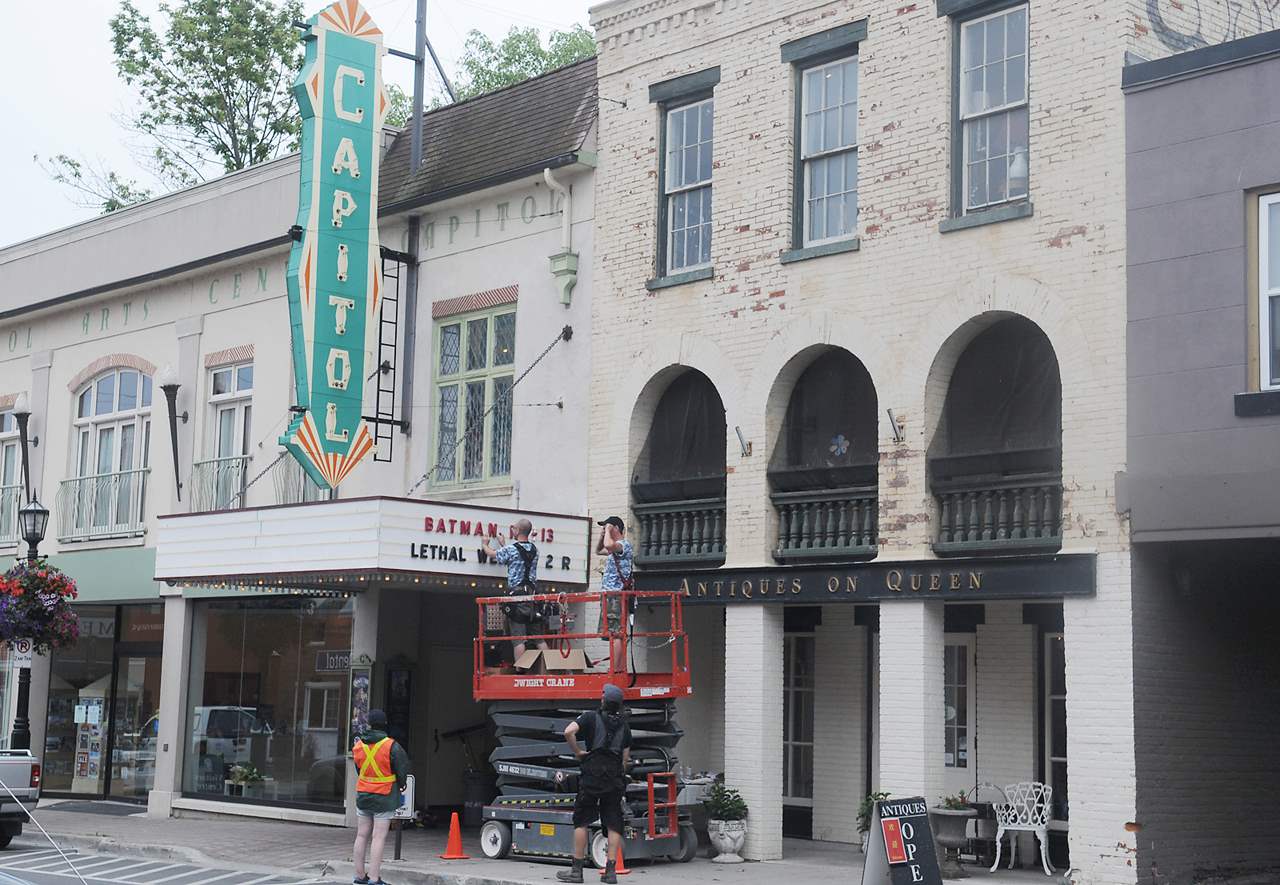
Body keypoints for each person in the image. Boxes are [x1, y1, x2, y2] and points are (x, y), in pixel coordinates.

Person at [558, 684, 632, 884]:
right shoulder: (625, 725)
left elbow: (568, 731)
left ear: (603, 700)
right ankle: (610, 871)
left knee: (581, 820)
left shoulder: (590, 717)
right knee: (614, 822)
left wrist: (578, 752)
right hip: (614, 777)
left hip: (592, 774)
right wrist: (619, 774)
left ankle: (577, 870)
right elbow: (625, 758)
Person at [351, 709, 410, 885]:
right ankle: (374, 878)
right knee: (378, 837)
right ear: (384, 725)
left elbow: (359, 769)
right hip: (384, 796)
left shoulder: (359, 745)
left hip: (363, 795)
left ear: (369, 724)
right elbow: (402, 769)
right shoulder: (391, 745)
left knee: (361, 835)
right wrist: (401, 784)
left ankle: (360, 876)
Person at [483, 518, 547, 665]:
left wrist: (484, 544)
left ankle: (520, 669)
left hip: (516, 598)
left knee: (518, 638)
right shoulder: (535, 549)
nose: (512, 530)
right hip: (532, 597)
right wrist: (503, 544)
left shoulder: (511, 549)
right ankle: (549, 667)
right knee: (538, 637)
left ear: (518, 530)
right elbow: (516, 557)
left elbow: (493, 554)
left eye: (514, 528)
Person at [595, 516, 634, 669]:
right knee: (612, 633)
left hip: (615, 595)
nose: (605, 529)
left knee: (616, 633)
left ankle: (615, 669)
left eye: (608, 526)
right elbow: (598, 550)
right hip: (609, 596)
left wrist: (609, 532)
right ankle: (616, 667)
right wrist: (601, 535)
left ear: (616, 528)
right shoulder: (614, 548)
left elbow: (609, 545)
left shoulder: (623, 545)